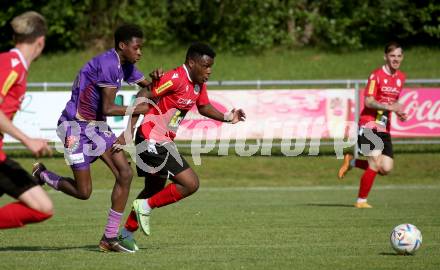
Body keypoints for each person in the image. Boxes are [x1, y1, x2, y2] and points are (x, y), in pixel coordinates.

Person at [32, 24, 161, 252]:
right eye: (137, 47)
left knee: (125, 173)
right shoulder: (109, 65)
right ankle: (42, 174)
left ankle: (109, 238)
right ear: (123, 46)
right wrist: (137, 111)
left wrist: (157, 79)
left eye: (141, 48)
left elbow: (151, 88)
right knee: (84, 192)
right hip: (74, 126)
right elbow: (109, 107)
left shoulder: (125, 65)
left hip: (97, 127)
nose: (140, 52)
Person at [116, 42, 246, 251]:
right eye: (205, 66)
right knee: (190, 183)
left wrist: (227, 117)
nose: (209, 71)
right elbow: (144, 94)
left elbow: (203, 106)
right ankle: (145, 207)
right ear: (191, 63)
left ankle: (124, 235)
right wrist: (128, 133)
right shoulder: (174, 78)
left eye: (211, 66)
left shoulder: (198, 84)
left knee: (153, 188)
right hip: (151, 138)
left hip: (162, 140)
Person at [0, 11, 54, 229]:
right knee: (41, 207)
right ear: (40, 43)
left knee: (42, 207)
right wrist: (28, 140)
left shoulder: (16, 66)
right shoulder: (11, 64)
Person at [338, 41, 407, 208]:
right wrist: (388, 106)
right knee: (375, 163)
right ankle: (361, 201)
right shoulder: (375, 76)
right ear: (385, 57)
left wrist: (398, 111)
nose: (395, 59)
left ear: (402, 57)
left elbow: (392, 102)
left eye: (398, 56)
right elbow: (368, 101)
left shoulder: (401, 78)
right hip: (368, 124)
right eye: (392, 56)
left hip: (384, 127)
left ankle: (352, 161)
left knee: (386, 168)